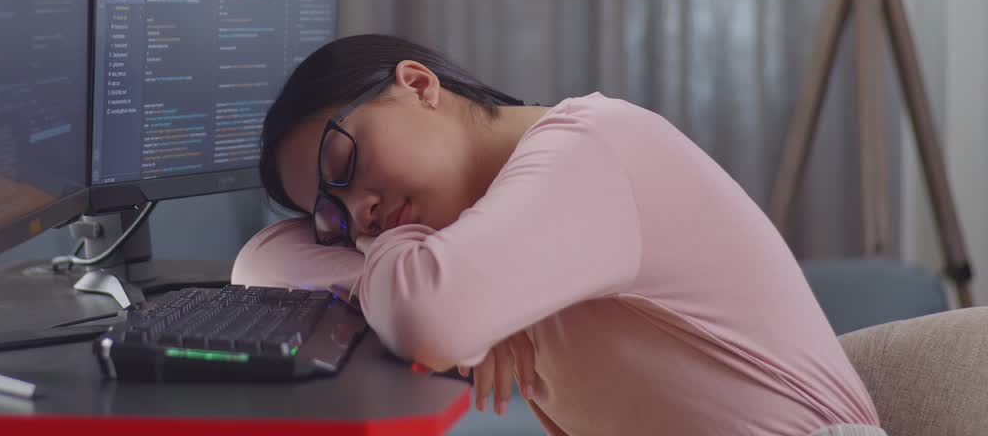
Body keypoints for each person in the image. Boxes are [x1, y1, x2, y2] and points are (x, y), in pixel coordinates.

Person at [232, 34, 884, 436]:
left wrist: (427, 285)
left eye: (342, 165)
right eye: (333, 220)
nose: (361, 216)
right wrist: (412, 272)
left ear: (418, 85)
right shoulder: (490, 239)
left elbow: (432, 317)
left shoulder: (592, 147)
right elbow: (258, 263)